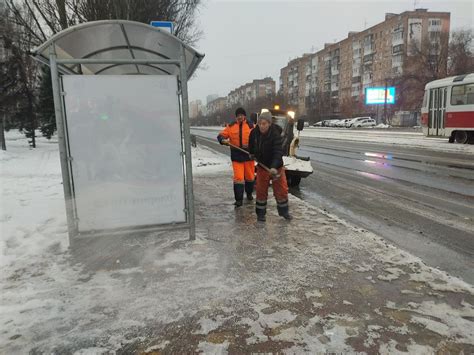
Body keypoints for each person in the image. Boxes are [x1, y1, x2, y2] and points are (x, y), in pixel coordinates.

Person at [248, 111, 291, 222]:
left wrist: (273, 167)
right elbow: (251, 146)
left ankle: (284, 212)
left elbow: (278, 152)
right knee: (261, 191)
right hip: (262, 166)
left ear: (269, 124)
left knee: (281, 191)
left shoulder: (275, 134)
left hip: (277, 167)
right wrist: (252, 154)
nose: (262, 126)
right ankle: (260, 215)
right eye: (260, 123)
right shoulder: (254, 133)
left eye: (264, 123)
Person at [217, 107, 255, 207]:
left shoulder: (251, 126)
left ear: (244, 116)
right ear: (236, 116)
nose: (240, 117)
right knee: (238, 178)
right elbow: (221, 135)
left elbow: (258, 137)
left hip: (248, 155)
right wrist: (222, 139)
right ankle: (239, 200)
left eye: (241, 115)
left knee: (250, 177)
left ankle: (249, 193)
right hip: (237, 156)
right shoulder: (231, 126)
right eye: (238, 115)